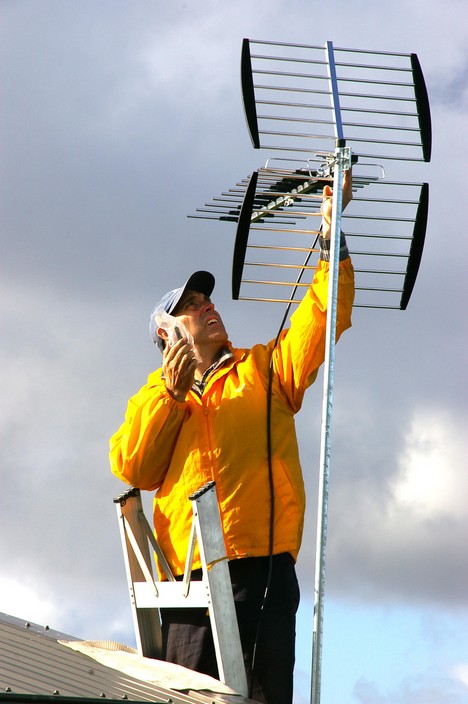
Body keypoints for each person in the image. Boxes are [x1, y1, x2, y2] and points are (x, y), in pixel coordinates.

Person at [109, 171, 355, 704]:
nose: (206, 306)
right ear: (166, 334)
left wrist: (333, 237)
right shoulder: (153, 397)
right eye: (190, 306)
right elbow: (133, 469)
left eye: (206, 299)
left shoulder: (265, 370)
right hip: (190, 585)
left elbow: (322, 318)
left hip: (263, 571)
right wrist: (171, 399)